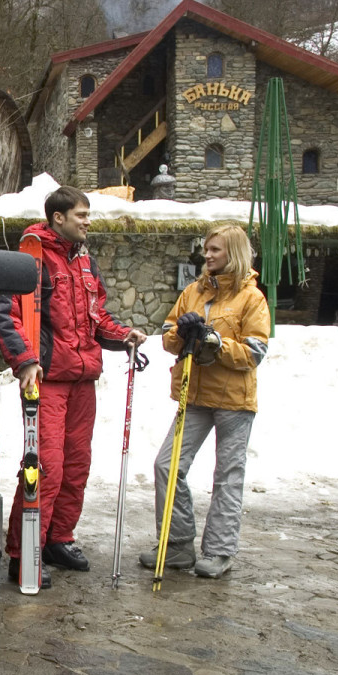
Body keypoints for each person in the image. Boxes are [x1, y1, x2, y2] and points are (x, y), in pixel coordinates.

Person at [0, 185, 147, 588]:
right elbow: (6, 315)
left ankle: (57, 539)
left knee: (77, 466)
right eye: (81, 215)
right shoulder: (31, 258)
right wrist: (24, 361)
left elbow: (96, 319)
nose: (88, 221)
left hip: (83, 380)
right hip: (47, 381)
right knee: (45, 468)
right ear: (58, 217)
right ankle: (22, 551)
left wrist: (124, 335)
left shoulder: (85, 264)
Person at [139, 224, 269, 579]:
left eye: (215, 250)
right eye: (207, 250)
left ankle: (219, 551)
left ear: (234, 253)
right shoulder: (194, 292)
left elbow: (255, 352)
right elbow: (167, 337)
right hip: (193, 394)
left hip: (233, 400)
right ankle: (178, 543)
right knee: (167, 464)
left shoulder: (251, 298)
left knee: (227, 476)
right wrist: (181, 332)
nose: (207, 256)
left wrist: (214, 341)